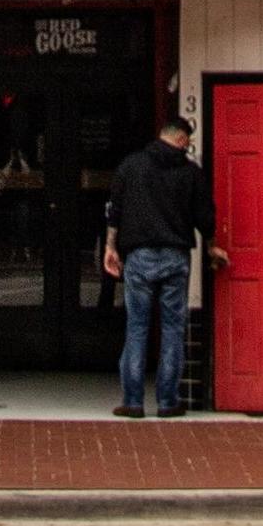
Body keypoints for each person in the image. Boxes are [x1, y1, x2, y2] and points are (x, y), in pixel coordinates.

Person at [101, 107, 218, 417]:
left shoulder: (131, 166)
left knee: (137, 328)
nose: (187, 147)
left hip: (138, 255)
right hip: (176, 255)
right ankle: (167, 402)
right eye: (187, 142)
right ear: (179, 138)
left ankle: (133, 401)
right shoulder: (191, 172)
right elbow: (204, 216)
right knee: (172, 328)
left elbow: (115, 210)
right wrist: (211, 245)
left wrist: (110, 248)